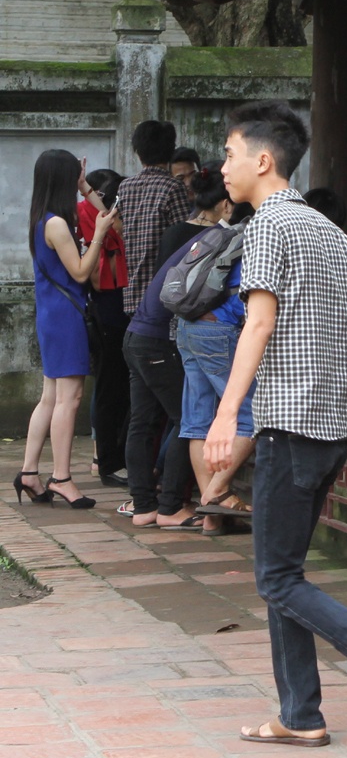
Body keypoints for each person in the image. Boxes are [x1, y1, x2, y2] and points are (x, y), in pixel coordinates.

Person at [206, 99, 347, 746]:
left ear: (263, 160)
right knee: (286, 574)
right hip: (330, 430)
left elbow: (259, 322)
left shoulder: (267, 228)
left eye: (230, 154)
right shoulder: (328, 231)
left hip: (289, 427)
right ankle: (300, 715)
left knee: (276, 577)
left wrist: (226, 412)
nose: (223, 166)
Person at [14, 149, 117, 509]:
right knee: (68, 399)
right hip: (67, 315)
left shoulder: (44, 217)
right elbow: (80, 271)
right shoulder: (58, 224)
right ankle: (61, 478)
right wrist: (98, 235)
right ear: (63, 178)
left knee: (51, 397)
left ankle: (29, 472)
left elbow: (105, 215)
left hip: (53, 314)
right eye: (75, 175)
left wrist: (86, 188)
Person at [172, 164, 254, 537]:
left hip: (188, 327)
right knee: (251, 413)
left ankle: (211, 517)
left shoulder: (212, 236)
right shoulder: (249, 238)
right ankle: (215, 493)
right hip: (218, 330)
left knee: (198, 421)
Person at [122, 238, 199, 529]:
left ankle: (143, 506)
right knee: (188, 419)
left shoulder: (199, 239)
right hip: (155, 340)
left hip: (136, 335)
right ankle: (170, 507)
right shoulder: (221, 240)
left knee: (141, 423)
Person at [79, 167, 129, 486]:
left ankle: (107, 458)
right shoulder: (92, 216)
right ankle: (109, 461)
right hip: (107, 304)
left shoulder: (93, 214)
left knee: (114, 384)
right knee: (111, 384)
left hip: (111, 303)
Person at [117, 121, 191, 317]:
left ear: (138, 152)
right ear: (170, 150)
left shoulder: (125, 187)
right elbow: (184, 238)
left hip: (131, 292)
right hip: (163, 292)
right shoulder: (173, 187)